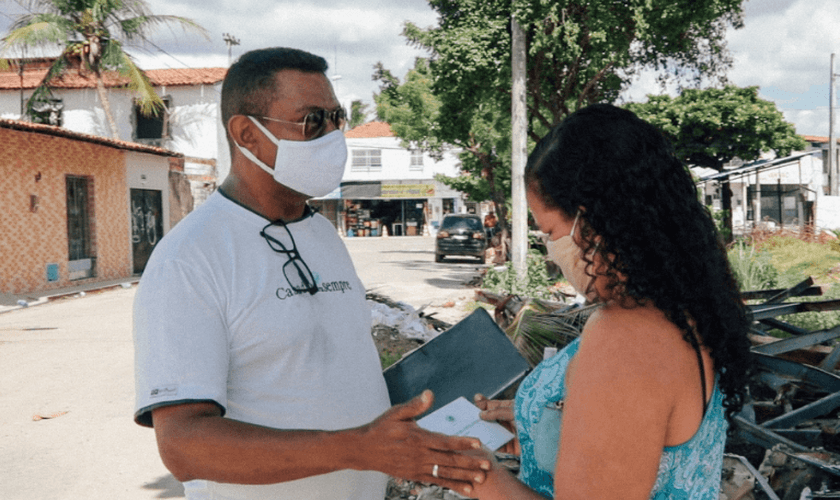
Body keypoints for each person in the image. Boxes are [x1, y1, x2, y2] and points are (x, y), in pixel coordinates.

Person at [132, 47, 489, 500]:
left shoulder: (322, 235)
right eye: (312, 121)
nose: (333, 135)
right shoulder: (190, 259)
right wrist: (356, 449)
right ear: (247, 134)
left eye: (337, 118)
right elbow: (184, 445)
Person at [470, 103, 752, 499]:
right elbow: (643, 439)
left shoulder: (626, 335)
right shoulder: (681, 310)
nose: (550, 250)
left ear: (590, 224)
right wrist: (542, 430)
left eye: (549, 231)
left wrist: (473, 474)